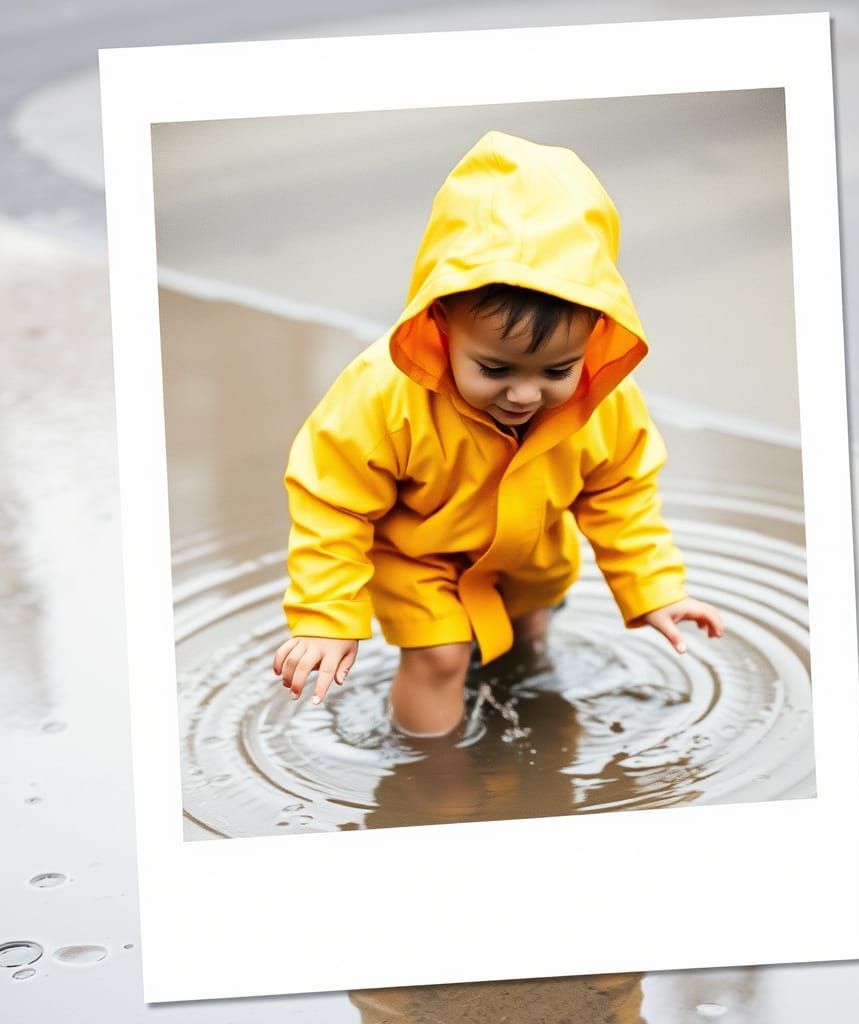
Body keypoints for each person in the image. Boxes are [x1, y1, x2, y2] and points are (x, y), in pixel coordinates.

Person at [272, 130, 723, 737]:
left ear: (595, 336)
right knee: (441, 658)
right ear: (440, 320)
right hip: (419, 557)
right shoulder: (384, 393)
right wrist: (326, 617)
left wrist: (654, 589)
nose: (525, 394)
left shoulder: (605, 401)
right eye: (495, 368)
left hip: (531, 556)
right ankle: (434, 775)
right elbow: (332, 498)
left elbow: (623, 494)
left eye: (557, 370)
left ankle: (530, 706)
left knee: (531, 633)